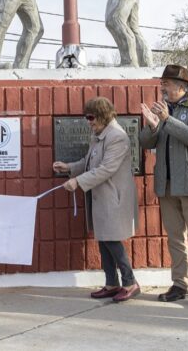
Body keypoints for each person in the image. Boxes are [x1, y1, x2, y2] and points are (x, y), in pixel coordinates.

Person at [139, 64, 188, 310]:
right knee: (175, 237)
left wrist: (166, 120)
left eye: (166, 83)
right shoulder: (162, 109)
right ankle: (181, 284)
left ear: (182, 86)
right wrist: (153, 125)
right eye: (162, 83)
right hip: (167, 184)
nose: (162, 87)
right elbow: (145, 142)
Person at [53, 97, 140, 302]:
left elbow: (106, 168)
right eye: (87, 117)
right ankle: (111, 283)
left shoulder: (117, 137)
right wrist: (69, 167)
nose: (88, 121)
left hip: (113, 197)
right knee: (103, 239)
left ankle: (130, 282)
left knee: (112, 240)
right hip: (102, 196)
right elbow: (89, 161)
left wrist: (78, 181)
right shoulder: (99, 134)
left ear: (103, 116)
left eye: (91, 117)